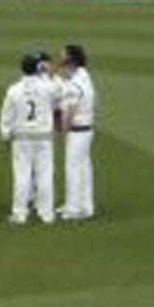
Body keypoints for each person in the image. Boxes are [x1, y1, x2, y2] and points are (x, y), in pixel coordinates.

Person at [0, 52, 58, 225]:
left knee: (22, 175)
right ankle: (46, 214)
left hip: (22, 138)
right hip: (43, 137)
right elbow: (59, 95)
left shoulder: (14, 89)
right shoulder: (47, 86)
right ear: (38, 68)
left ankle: (19, 214)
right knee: (45, 175)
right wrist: (46, 75)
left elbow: (6, 114)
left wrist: (5, 133)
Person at [56, 42, 97, 221]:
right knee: (84, 168)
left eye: (63, 55)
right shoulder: (84, 76)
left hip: (77, 131)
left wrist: (62, 133)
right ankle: (86, 206)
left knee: (72, 169)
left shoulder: (75, 84)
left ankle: (72, 209)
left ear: (70, 60)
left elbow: (70, 112)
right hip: (87, 129)